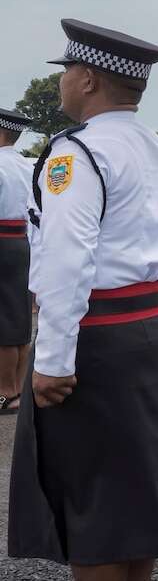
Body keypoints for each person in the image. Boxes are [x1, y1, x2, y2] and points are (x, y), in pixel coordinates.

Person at [9, 20, 158, 581]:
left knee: (89, 488)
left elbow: (65, 260)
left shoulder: (75, 154)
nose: (60, 82)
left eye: (65, 72)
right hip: (144, 327)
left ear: (86, 79)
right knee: (133, 483)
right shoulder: (157, 149)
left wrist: (52, 358)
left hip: (93, 334)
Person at [0, 109, 34, 415]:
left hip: (1, 241)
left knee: (4, 321)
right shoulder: (25, 165)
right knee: (20, 316)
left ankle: (4, 392)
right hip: (22, 241)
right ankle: (18, 388)